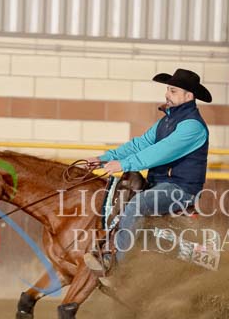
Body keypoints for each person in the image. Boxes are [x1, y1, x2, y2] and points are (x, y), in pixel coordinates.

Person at [83, 68, 211, 274]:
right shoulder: (166, 122)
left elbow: (159, 153)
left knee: (137, 205)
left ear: (189, 96)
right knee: (118, 196)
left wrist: (124, 164)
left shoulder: (192, 127)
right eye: (168, 89)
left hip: (180, 189)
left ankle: (116, 267)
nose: (167, 94)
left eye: (173, 91)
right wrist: (103, 158)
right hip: (160, 184)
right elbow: (139, 145)